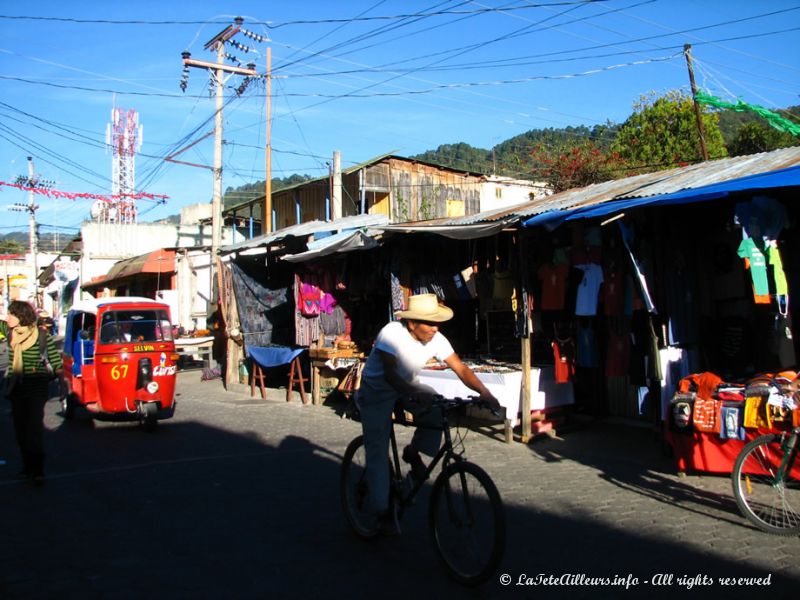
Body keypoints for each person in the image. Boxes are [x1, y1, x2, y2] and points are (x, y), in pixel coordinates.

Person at [357, 293, 500, 535]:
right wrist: (413, 391)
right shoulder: (391, 333)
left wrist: (485, 393)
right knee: (377, 450)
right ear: (412, 323)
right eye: (429, 323)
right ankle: (381, 510)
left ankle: (413, 452)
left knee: (436, 406)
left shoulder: (436, 339)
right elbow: (390, 375)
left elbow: (460, 368)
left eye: (437, 323)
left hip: (407, 386)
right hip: (376, 392)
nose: (435, 328)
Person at [6, 300, 63, 485]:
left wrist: (63, 382)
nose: (7, 318)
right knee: (20, 430)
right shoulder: (11, 335)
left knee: (34, 428)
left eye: (10, 314)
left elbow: (54, 359)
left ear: (20, 316)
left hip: (36, 387)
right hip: (17, 387)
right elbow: (11, 363)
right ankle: (27, 466)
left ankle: (38, 469)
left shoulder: (41, 335)